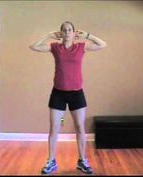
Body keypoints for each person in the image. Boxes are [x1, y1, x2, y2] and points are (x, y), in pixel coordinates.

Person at [29, 21, 107, 174]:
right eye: (64, 30)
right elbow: (34, 46)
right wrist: (48, 36)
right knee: (54, 128)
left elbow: (103, 44)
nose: (67, 32)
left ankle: (82, 160)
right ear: (61, 33)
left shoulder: (81, 47)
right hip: (58, 93)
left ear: (73, 32)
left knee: (80, 127)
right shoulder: (55, 47)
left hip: (76, 93)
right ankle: (51, 161)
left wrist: (88, 36)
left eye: (69, 30)